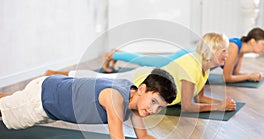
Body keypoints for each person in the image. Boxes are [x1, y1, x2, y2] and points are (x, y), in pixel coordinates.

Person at [0, 68, 187, 139]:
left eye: (160, 107)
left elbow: (144, 137)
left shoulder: (136, 101)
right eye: (153, 102)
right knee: (4, 111)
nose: (153, 111)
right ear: (142, 89)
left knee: (10, 102)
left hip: (52, 88)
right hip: (41, 100)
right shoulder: (116, 100)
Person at [45, 32, 236, 113]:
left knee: (99, 79)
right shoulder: (191, 66)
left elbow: (199, 97)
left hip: (146, 77)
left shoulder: (204, 68)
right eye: (224, 51)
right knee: (97, 79)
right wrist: (219, 107)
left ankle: (60, 74)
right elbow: (188, 106)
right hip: (138, 81)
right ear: (212, 51)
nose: (227, 55)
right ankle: (57, 73)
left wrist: (223, 103)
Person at [102, 27, 264, 83]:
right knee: (150, 61)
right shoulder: (233, 48)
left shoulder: (240, 51)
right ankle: (114, 54)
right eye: (263, 43)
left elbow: (234, 73)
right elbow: (227, 78)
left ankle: (118, 54)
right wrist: (249, 76)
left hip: (192, 53)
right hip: (187, 56)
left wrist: (249, 75)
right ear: (252, 41)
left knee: (150, 61)